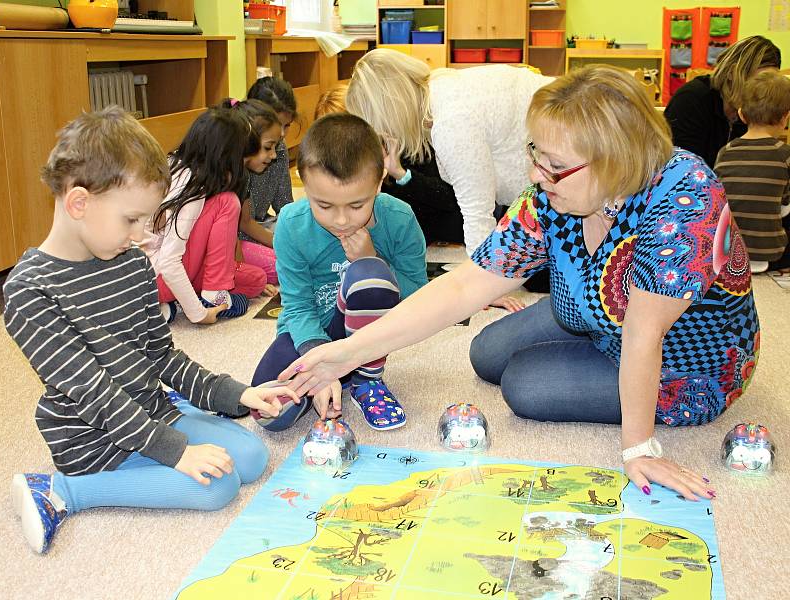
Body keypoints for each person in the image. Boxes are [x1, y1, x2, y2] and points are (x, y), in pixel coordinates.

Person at [280, 66, 762, 502]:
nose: (535, 174)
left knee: (526, 385)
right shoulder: (555, 191)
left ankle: (599, 366)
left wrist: (640, 448)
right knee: (486, 353)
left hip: (682, 362)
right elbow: (465, 286)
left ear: (612, 159)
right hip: (594, 315)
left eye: (550, 163)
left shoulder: (685, 196)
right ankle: (584, 345)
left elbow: (644, 335)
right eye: (535, 153)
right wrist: (346, 352)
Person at [3, 107, 298, 554]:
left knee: (253, 459)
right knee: (215, 489)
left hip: (149, 410)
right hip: (96, 441)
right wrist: (176, 452)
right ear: (79, 202)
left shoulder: (132, 263)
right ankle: (62, 490)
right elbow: (95, 395)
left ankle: (181, 421)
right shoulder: (30, 291)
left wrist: (233, 393)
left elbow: (162, 356)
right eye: (131, 220)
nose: (143, 236)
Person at [250, 113, 428, 432]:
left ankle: (365, 380)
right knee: (270, 413)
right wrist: (321, 368)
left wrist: (373, 258)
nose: (342, 220)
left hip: (369, 339)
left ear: (379, 181)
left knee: (369, 272)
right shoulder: (291, 223)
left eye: (357, 205)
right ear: (303, 183)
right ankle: (338, 378)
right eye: (325, 206)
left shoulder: (400, 218)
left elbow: (420, 298)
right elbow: (298, 307)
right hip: (311, 332)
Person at [346, 48, 552, 255]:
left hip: (565, 161)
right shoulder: (444, 85)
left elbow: (478, 217)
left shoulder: (450, 123)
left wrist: (475, 282)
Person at [143, 100, 270, 325]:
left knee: (257, 280)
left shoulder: (177, 165)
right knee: (228, 202)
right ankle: (212, 296)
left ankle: (168, 306)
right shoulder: (193, 187)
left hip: (155, 281)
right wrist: (199, 315)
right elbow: (171, 261)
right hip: (160, 277)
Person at [317, 79, 464, 248]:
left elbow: (449, 199)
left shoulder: (404, 145)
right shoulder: (330, 167)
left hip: (436, 242)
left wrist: (400, 174)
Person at [665, 35, 781, 168]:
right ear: (732, 73)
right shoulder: (692, 100)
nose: (762, 90)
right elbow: (680, 168)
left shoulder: (753, 110)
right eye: (757, 81)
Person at [714, 71, 790, 273]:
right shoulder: (784, 154)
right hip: (771, 249)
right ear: (786, 118)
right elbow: (785, 205)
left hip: (727, 247)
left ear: (741, 114)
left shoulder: (725, 152)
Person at [238, 77, 298, 285]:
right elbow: (242, 224)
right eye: (277, 125)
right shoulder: (238, 159)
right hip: (237, 236)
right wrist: (283, 245)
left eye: (286, 126)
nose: (281, 134)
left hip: (263, 225)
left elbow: (285, 206)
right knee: (284, 265)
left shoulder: (277, 149)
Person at [231, 98, 284, 289]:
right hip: (222, 247)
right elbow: (230, 235)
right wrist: (244, 273)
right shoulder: (228, 174)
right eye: (268, 147)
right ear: (248, 141)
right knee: (281, 268)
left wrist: (285, 246)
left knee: (290, 259)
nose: (274, 155)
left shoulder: (241, 174)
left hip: (234, 241)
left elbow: (245, 222)